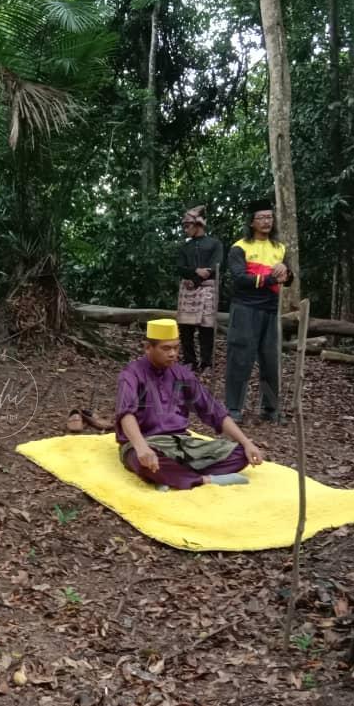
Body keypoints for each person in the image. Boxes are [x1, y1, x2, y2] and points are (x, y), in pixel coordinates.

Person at [116, 319, 263, 490]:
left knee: (240, 453)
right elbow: (126, 414)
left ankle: (171, 477)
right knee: (142, 461)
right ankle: (203, 480)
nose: (173, 353)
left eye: (176, 347)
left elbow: (214, 411)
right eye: (166, 348)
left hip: (181, 444)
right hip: (147, 443)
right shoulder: (131, 374)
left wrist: (246, 443)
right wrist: (141, 447)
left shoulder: (182, 374)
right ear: (148, 347)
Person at [224, 199, 295, 424]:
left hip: (271, 309)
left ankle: (270, 409)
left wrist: (287, 272)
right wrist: (269, 278)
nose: (266, 221)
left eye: (269, 217)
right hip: (245, 308)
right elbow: (239, 279)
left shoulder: (279, 248)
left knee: (271, 360)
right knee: (240, 358)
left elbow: (288, 279)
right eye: (261, 218)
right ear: (252, 222)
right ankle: (233, 409)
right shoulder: (240, 247)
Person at [176, 205, 222, 372]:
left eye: (188, 226)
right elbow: (179, 267)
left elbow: (214, 267)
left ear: (198, 225)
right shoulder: (184, 247)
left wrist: (195, 280)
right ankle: (189, 361)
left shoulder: (214, 244)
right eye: (184, 226)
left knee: (206, 328)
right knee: (185, 328)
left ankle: (207, 362)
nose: (185, 229)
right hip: (187, 290)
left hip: (207, 289)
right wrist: (195, 271)